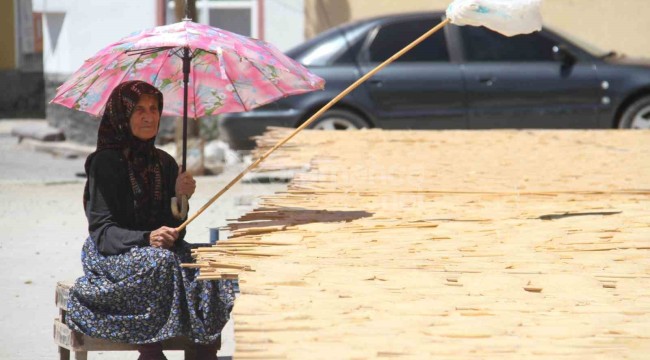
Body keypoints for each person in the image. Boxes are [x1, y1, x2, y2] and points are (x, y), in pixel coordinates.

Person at [66, 80, 234, 360]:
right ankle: (151, 350)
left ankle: (203, 348)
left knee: (212, 261)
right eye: (139, 109)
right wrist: (147, 238)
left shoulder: (165, 163)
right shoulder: (105, 163)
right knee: (160, 262)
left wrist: (180, 200)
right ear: (122, 115)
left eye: (154, 108)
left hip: (157, 250)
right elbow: (103, 232)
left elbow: (174, 230)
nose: (149, 116)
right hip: (111, 253)